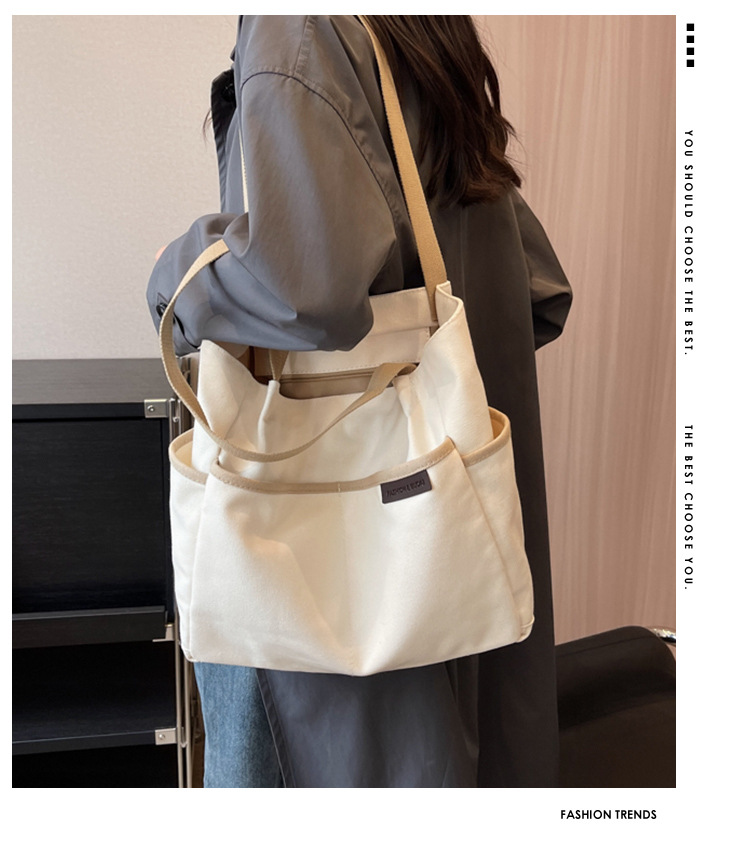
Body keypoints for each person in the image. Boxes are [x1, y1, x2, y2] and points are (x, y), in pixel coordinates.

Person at [147, 15, 572, 788]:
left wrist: (178, 273)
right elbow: (539, 288)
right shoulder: (420, 28)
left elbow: (304, 288)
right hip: (450, 538)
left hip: (321, 597)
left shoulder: (297, 25)